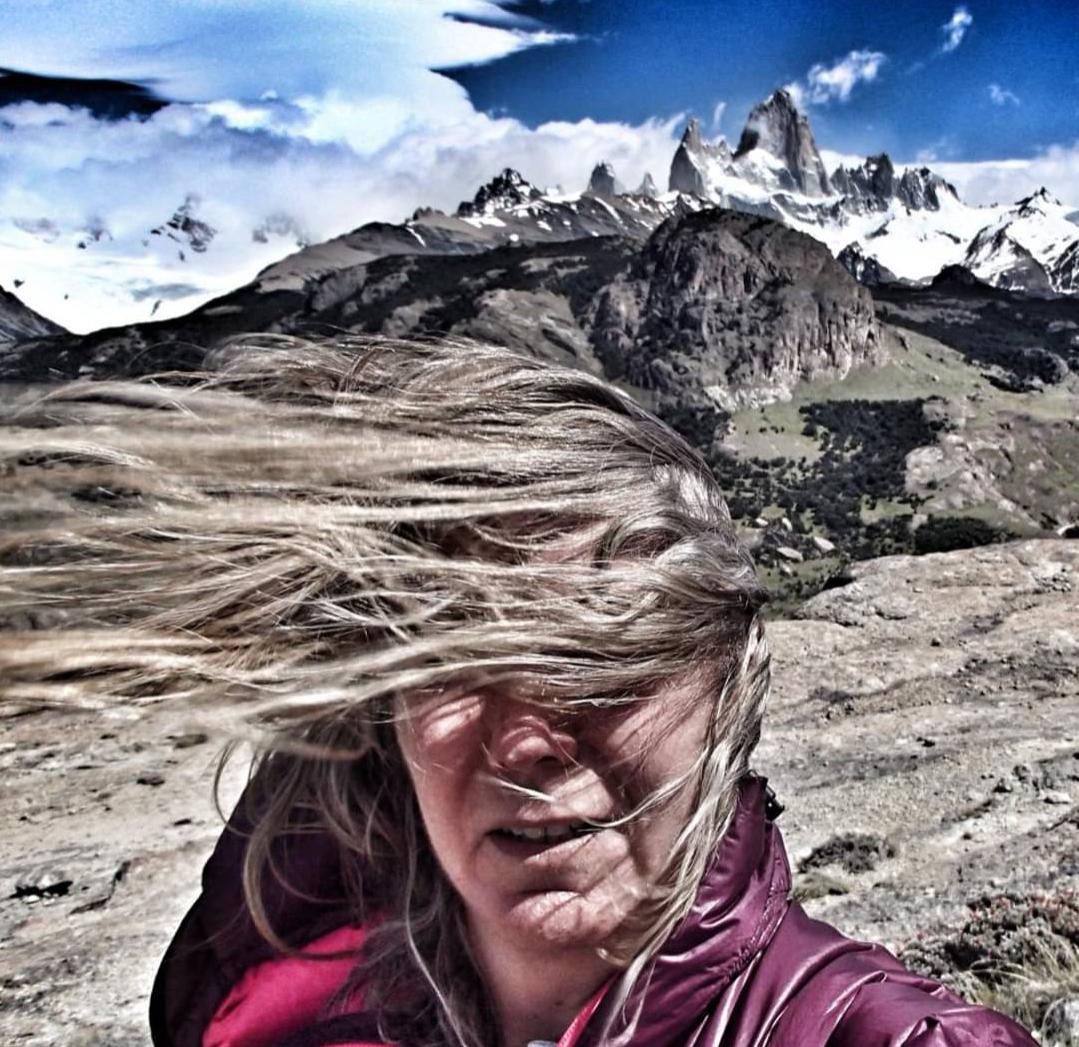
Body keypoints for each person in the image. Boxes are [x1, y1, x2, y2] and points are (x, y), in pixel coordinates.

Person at [0, 335, 1036, 1047]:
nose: (524, 741)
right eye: (453, 661)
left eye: (597, 661)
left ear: (728, 682)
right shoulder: (268, 967)